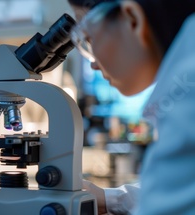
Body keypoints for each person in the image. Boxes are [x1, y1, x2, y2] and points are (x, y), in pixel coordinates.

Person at [67, 0, 195, 214]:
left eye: (88, 38)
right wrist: (110, 199)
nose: (93, 63)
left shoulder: (188, 94)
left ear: (132, 19)